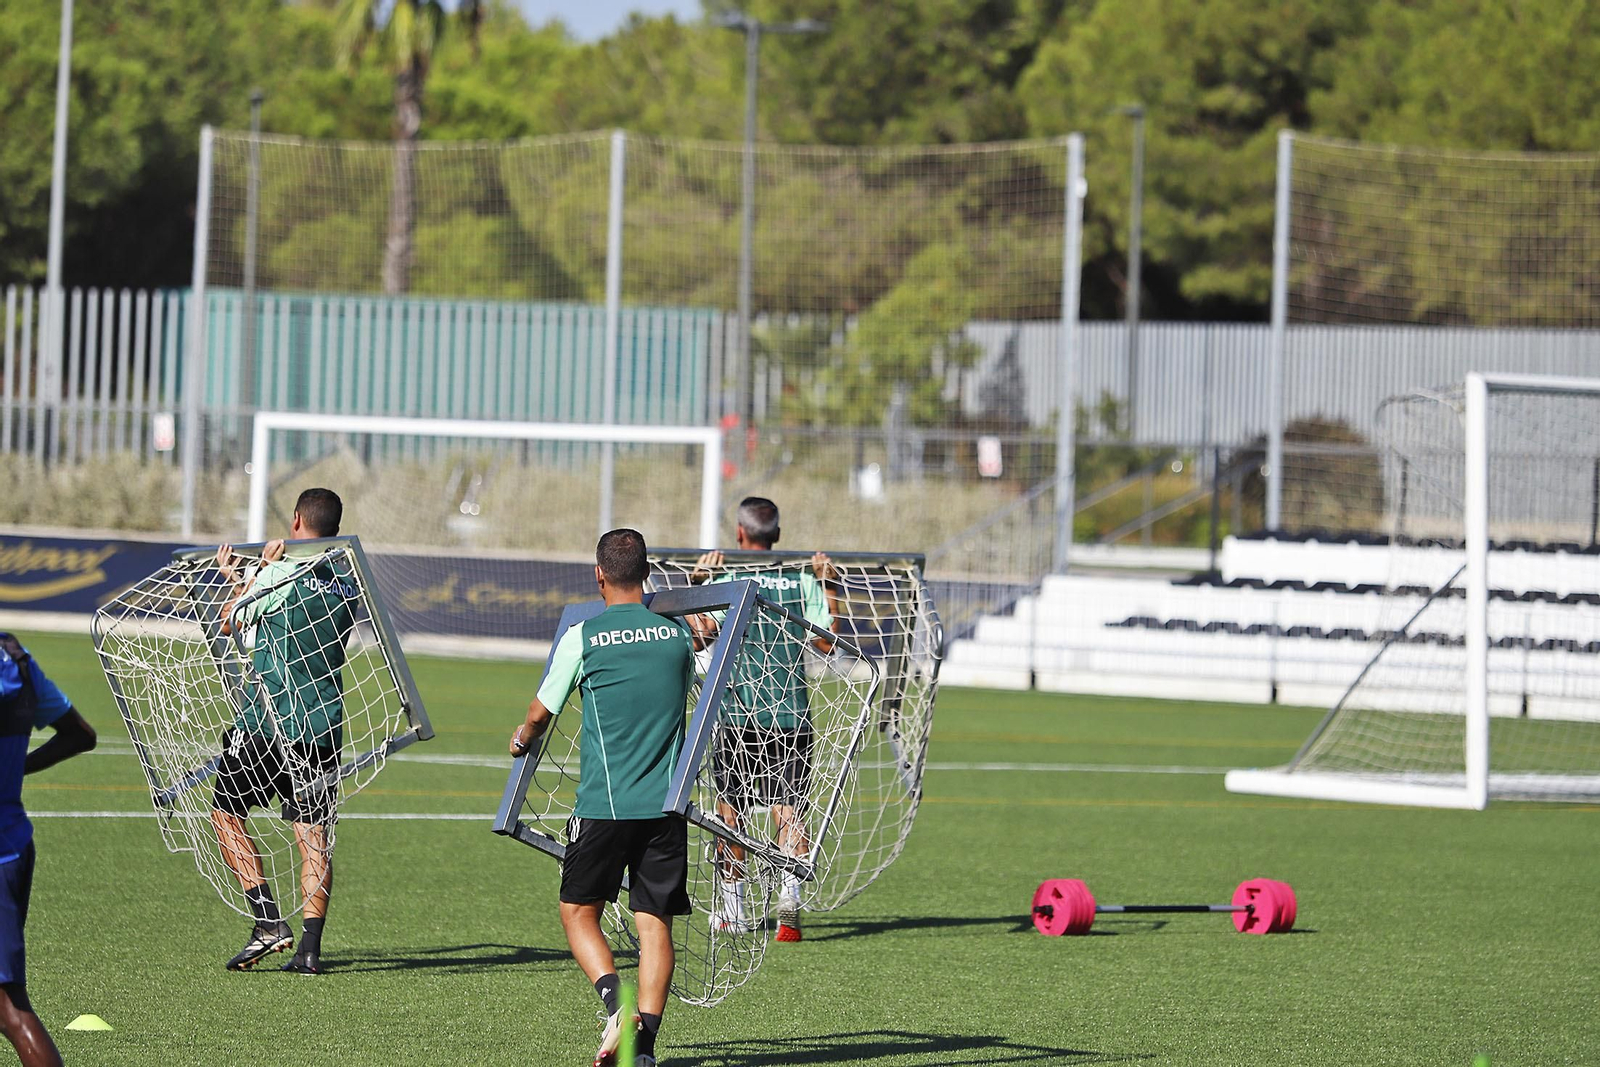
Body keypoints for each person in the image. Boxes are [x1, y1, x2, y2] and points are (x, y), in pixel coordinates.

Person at [510, 529, 694, 1067]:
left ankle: (617, 1007)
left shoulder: (584, 636)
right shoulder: (676, 634)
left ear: (598, 574)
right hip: (666, 806)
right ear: (648, 572)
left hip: (605, 805)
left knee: (577, 912)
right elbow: (694, 664)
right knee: (654, 923)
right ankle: (645, 1050)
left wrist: (523, 733)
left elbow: (542, 711)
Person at [211, 487, 353, 975]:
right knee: (313, 838)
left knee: (224, 813)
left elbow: (232, 624)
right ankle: (309, 952)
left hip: (266, 721)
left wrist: (255, 576)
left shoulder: (282, 572)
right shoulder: (346, 583)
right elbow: (272, 628)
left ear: (295, 520)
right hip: (321, 725)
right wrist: (247, 577)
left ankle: (268, 920)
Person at [688, 496, 839, 943]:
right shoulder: (798, 580)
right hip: (791, 714)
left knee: (729, 811)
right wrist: (828, 584)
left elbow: (699, 638)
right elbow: (828, 644)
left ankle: (732, 912)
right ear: (777, 535)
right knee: (789, 811)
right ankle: (789, 898)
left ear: (738, 533)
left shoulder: (728, 578)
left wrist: (699, 584)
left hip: (736, 713)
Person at [0, 632, 97, 1067]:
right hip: (13, 841)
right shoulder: (16, 659)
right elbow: (80, 734)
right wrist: (17, 768)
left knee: (9, 1009)